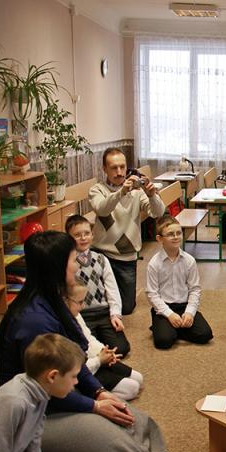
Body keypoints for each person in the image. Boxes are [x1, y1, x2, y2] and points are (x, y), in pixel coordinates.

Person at [0, 230, 167, 452]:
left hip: (62, 394)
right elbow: (48, 389)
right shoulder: (34, 322)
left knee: (132, 418)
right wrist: (94, 406)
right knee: (111, 440)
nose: (77, 265)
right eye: (73, 259)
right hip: (36, 414)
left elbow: (73, 362)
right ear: (58, 267)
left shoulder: (54, 299)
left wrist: (99, 392)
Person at [88, 148, 164, 315]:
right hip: (101, 254)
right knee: (97, 304)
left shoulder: (137, 192)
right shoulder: (97, 190)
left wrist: (152, 195)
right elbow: (102, 209)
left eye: (122, 167)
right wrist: (121, 192)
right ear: (104, 169)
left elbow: (157, 212)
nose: (119, 172)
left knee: (127, 308)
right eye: (114, 168)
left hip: (126, 256)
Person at [66, 280, 143, 400]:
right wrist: (99, 360)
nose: (83, 306)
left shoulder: (76, 315)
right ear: (65, 301)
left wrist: (104, 352)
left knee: (138, 378)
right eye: (80, 302)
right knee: (132, 388)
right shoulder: (62, 327)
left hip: (95, 360)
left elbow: (89, 338)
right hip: (86, 369)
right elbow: (75, 367)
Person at [65, 214, 130, 356]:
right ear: (68, 238)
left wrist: (115, 315)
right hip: (82, 314)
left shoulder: (101, 259)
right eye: (77, 235)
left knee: (122, 349)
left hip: (103, 312)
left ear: (92, 235)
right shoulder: (68, 262)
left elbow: (112, 288)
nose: (83, 238)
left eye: (87, 233)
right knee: (88, 351)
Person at [146, 215, 213, 349]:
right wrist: (169, 315)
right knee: (164, 341)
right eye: (170, 234)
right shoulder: (154, 263)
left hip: (184, 306)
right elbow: (152, 294)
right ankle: (164, 327)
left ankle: (172, 329)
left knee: (205, 335)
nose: (176, 237)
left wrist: (190, 312)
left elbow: (195, 289)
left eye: (179, 233)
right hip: (164, 307)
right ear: (160, 239)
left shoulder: (189, 261)